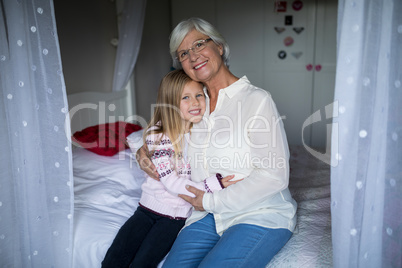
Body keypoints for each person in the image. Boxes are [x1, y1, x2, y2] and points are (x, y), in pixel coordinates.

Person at [136, 17, 298, 267]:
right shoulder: (192, 105)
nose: (193, 56)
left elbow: (274, 175)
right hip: (206, 217)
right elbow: (164, 132)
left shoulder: (256, 100)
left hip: (259, 213)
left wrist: (210, 201)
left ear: (219, 47)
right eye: (183, 53)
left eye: (199, 44)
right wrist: (143, 151)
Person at [101, 70, 239, 268]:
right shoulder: (157, 136)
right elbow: (172, 183)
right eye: (186, 97)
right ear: (170, 104)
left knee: (142, 263)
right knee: (114, 258)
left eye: (199, 95)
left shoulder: (199, 133)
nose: (195, 102)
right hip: (147, 210)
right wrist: (211, 185)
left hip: (175, 219)